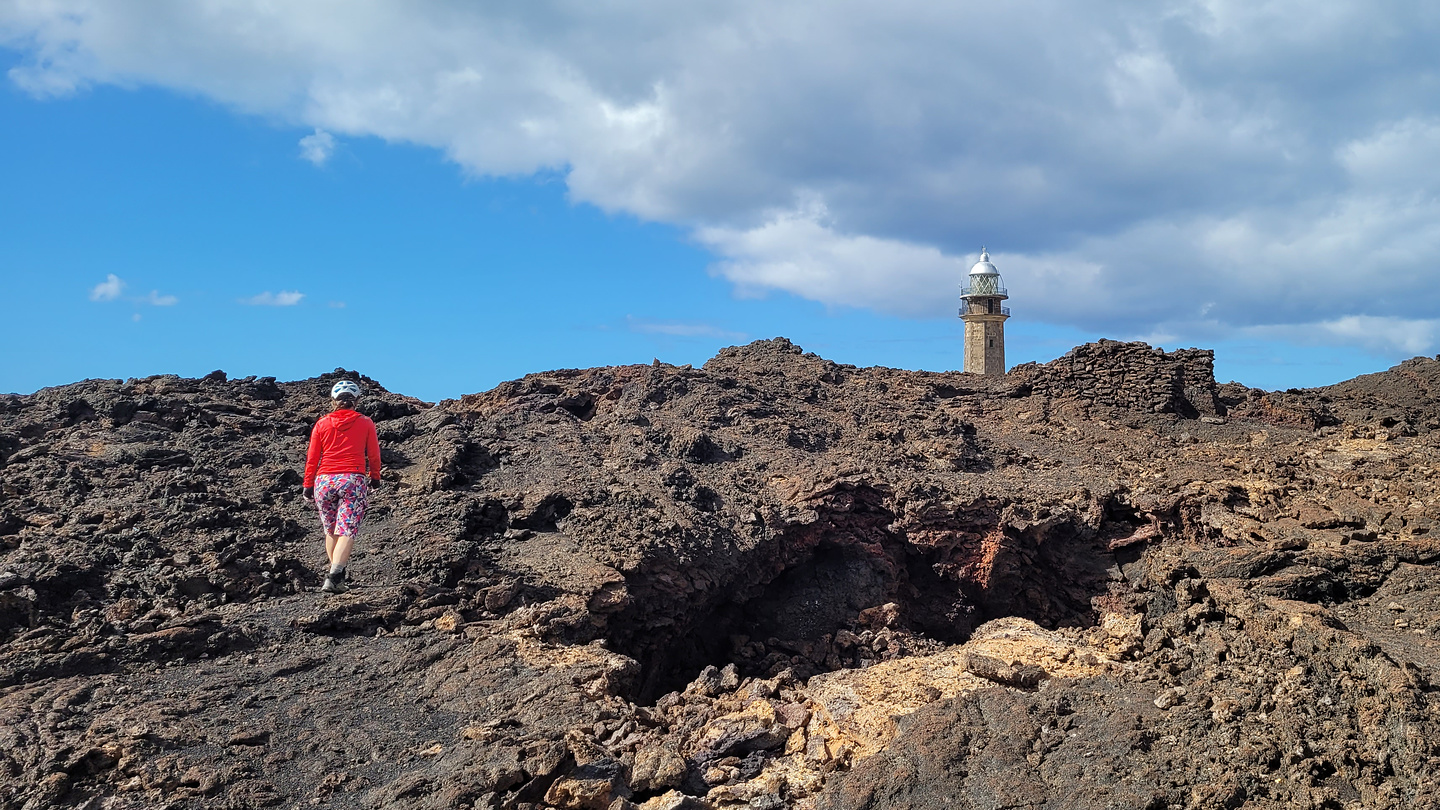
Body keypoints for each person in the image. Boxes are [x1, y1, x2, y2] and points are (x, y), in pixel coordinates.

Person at [302, 380, 382, 594]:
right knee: (346, 528)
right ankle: (335, 576)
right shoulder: (366, 422)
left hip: (324, 481)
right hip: (352, 480)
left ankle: (336, 577)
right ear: (356, 401)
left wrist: (308, 484)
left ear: (333, 401)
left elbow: (312, 457)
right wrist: (375, 478)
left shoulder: (321, 423)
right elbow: (373, 454)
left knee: (331, 530)